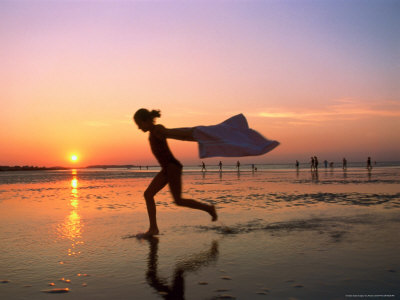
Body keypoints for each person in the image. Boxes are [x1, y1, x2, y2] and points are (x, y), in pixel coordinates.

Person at [133, 109, 217, 237]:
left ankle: (209, 208)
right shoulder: (152, 132)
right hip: (166, 169)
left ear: (146, 120)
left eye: (139, 124)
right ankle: (153, 228)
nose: (138, 128)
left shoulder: (158, 130)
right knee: (148, 194)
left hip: (172, 167)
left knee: (178, 201)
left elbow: (177, 134)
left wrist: (196, 135)